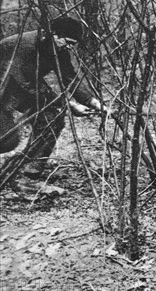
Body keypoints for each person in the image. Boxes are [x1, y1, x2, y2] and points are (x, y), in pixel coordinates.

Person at [0, 17, 108, 179]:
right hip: (9, 88)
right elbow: (26, 82)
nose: (70, 48)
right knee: (8, 141)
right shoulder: (24, 45)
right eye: (68, 42)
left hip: (20, 90)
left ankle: (31, 168)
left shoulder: (59, 50)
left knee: (52, 117)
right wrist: (68, 103)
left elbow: (71, 78)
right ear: (54, 35)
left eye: (73, 45)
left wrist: (94, 103)